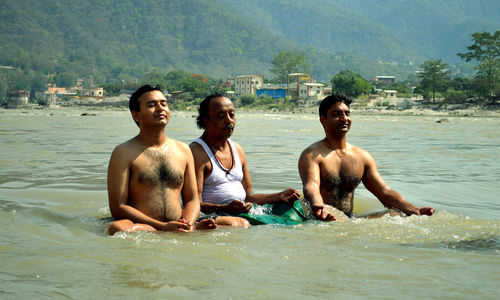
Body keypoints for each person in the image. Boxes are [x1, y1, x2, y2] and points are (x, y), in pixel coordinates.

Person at [298, 94, 435, 221]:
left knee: (397, 215)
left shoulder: (362, 157)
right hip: (319, 217)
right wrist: (318, 207)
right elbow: (311, 187)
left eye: (347, 113)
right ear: (323, 120)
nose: (344, 118)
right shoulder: (312, 154)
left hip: (348, 219)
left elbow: (385, 193)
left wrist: (415, 210)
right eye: (336, 114)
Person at [107, 85, 216, 235]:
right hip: (145, 226)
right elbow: (118, 207)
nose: (160, 108)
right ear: (136, 115)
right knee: (117, 228)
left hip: (177, 226)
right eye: (151, 105)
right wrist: (161, 226)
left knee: (239, 223)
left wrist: (188, 224)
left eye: (164, 104)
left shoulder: (183, 150)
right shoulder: (123, 152)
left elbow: (192, 199)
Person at [189, 93, 301, 226]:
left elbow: (249, 197)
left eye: (232, 115)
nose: (229, 120)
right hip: (212, 218)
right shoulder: (197, 152)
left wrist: (279, 196)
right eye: (221, 116)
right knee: (238, 224)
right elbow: (193, 203)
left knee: (297, 208)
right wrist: (225, 208)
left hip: (240, 214)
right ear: (206, 121)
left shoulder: (237, 149)